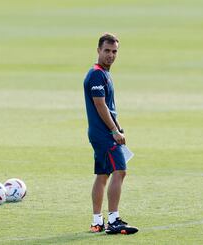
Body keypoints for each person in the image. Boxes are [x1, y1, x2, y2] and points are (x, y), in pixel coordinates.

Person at [83, 33, 138, 235]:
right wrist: (114, 130)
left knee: (102, 175)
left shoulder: (103, 73)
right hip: (104, 134)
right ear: (98, 50)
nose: (111, 55)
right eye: (107, 51)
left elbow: (108, 106)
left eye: (114, 51)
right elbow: (100, 104)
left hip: (100, 132)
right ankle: (114, 220)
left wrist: (118, 125)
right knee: (120, 171)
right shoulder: (97, 74)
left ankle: (97, 222)